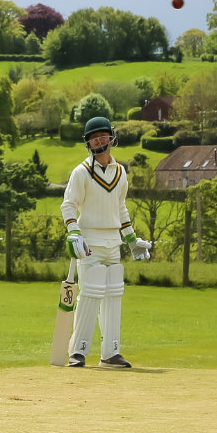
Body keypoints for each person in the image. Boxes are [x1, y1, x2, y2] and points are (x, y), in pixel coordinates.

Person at [60, 116, 151, 369]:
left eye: (102, 136)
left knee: (113, 293)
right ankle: (77, 352)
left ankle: (111, 353)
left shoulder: (121, 172)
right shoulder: (81, 172)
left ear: (111, 137)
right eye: (93, 138)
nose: (99, 141)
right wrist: (74, 232)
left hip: (113, 242)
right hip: (89, 242)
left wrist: (132, 240)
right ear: (88, 143)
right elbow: (68, 205)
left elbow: (120, 208)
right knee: (90, 293)